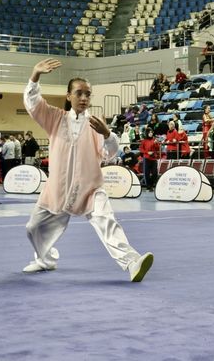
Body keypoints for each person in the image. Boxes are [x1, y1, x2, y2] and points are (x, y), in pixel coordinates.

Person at [22, 58, 153, 282]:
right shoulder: (54, 117)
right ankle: (45, 259)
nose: (84, 98)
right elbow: (33, 103)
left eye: (88, 94)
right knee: (32, 227)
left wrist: (107, 134)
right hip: (57, 190)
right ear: (68, 96)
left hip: (90, 188)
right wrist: (35, 74)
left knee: (107, 222)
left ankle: (132, 262)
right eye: (79, 93)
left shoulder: (95, 123)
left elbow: (110, 153)